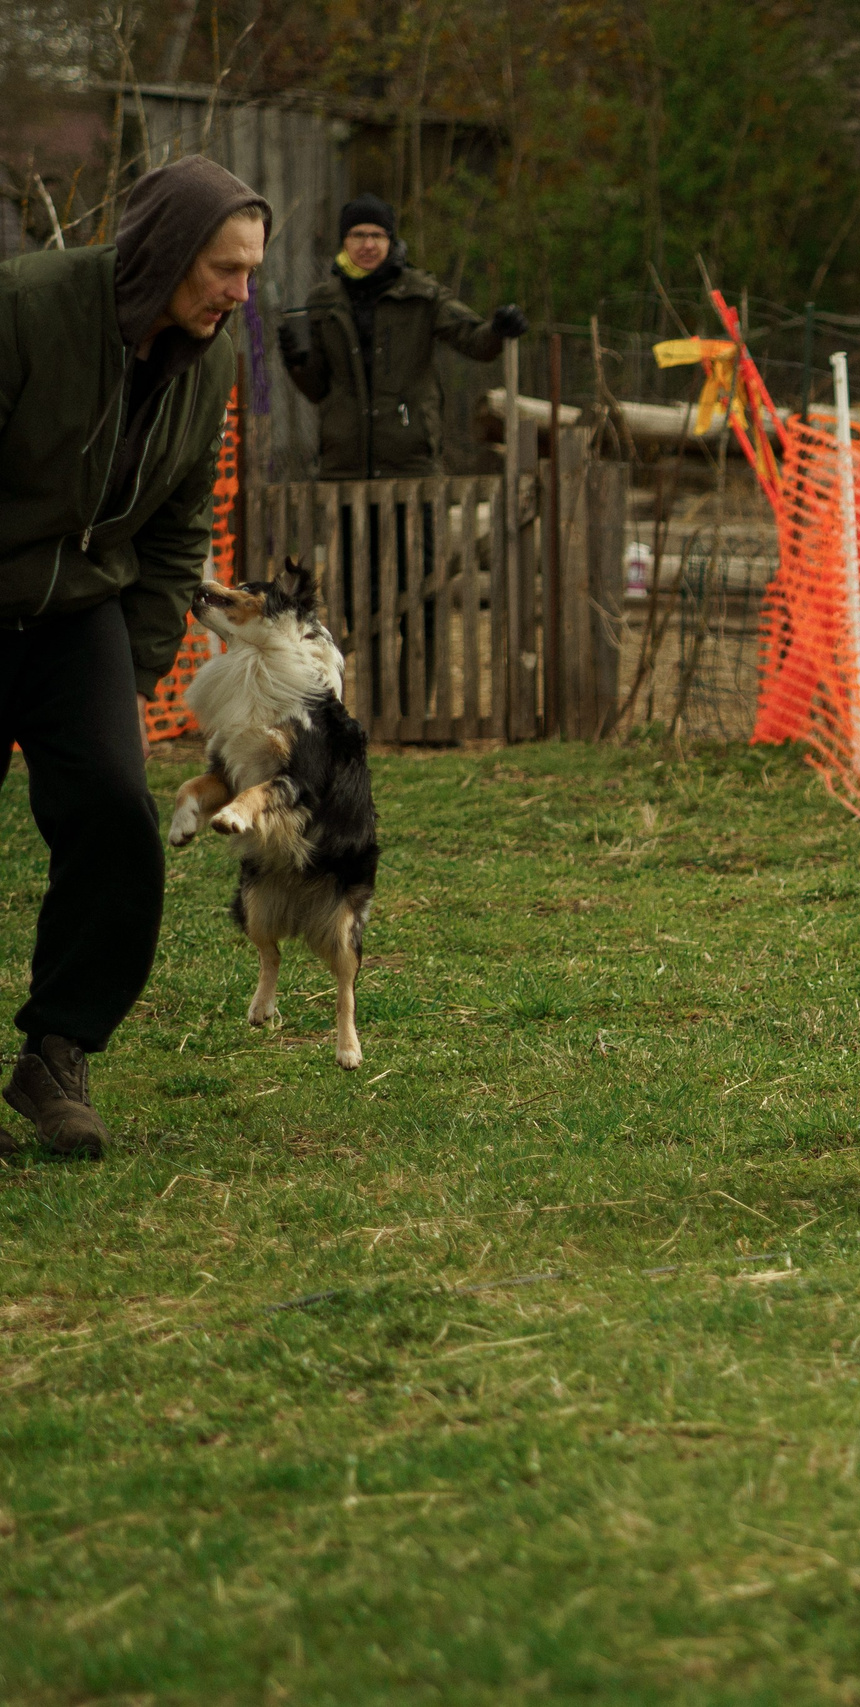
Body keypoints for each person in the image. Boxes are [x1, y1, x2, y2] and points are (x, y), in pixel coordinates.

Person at [0, 155, 271, 1159]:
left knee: (117, 818)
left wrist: (136, 670)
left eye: (252, 273)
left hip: (81, 614)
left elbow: (179, 524)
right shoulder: (26, 309)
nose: (240, 294)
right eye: (225, 269)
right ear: (164, 250)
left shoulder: (212, 361)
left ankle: (58, 1051)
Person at [277, 195, 524, 715]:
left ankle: (415, 704)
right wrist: (295, 360)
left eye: (377, 235)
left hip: (411, 463)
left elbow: (474, 340)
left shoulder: (422, 294)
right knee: (354, 591)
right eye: (358, 235)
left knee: (422, 588)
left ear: (392, 242)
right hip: (345, 468)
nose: (368, 245)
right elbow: (319, 389)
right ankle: (363, 701)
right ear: (344, 242)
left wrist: (499, 330)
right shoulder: (323, 301)